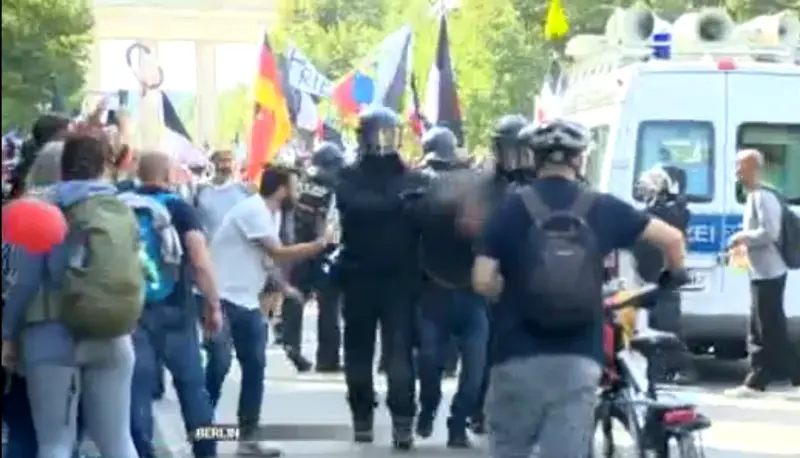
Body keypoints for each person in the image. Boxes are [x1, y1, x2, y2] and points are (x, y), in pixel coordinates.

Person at [472, 119, 687, 458]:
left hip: (514, 353)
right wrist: (672, 277)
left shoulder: (510, 209)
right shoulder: (602, 206)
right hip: (578, 357)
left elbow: (482, 279)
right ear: (580, 159)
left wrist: (509, 292)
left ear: (534, 159)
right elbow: (672, 239)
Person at [2, 133, 142, 458]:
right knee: (118, 442)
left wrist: (8, 335)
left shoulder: (40, 209)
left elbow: (24, 282)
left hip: (51, 337)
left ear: (62, 167)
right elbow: (138, 272)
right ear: (104, 167)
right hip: (112, 335)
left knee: (55, 443)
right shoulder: (122, 208)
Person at [209, 166, 334, 457]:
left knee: (255, 368)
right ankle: (203, 433)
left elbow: (266, 260)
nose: (298, 191)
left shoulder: (272, 213)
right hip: (224, 299)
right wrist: (321, 243)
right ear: (280, 189)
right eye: (294, 186)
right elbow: (278, 252)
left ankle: (247, 440)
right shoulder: (253, 210)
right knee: (218, 366)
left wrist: (284, 287)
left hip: (247, 301)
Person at [333, 106, 426, 450]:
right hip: (362, 277)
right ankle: (364, 419)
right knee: (363, 355)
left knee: (398, 356)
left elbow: (426, 222)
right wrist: (399, 202)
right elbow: (355, 206)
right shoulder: (350, 178)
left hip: (398, 280)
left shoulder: (413, 179)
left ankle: (401, 422)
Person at [124, 152, 221, 458]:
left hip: (133, 311)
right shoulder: (179, 208)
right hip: (177, 308)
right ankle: (207, 450)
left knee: (136, 392)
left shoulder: (120, 204)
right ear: (168, 174)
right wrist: (213, 305)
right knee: (194, 390)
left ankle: (142, 452)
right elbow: (200, 261)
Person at [411, 126, 488, 448]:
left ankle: (458, 425)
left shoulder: (480, 188)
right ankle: (428, 409)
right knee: (429, 368)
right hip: (433, 290)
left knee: (474, 373)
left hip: (472, 293)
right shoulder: (418, 187)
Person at [464, 114, 534, 434]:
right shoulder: (485, 185)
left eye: (520, 149)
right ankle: (480, 409)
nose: (514, 157)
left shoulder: (543, 184)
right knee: (490, 351)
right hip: (493, 278)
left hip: (536, 280)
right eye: (508, 149)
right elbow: (473, 229)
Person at [724, 149, 800, 399]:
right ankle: (760, 379)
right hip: (761, 271)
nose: (737, 171)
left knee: (768, 328)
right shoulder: (753, 195)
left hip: (770, 270)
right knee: (762, 327)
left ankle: (763, 380)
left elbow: (771, 233)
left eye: (741, 166)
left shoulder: (763, 196)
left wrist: (741, 236)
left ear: (755, 168)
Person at [281, 142, 346, 373]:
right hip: (325, 250)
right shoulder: (335, 189)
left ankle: (290, 344)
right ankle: (327, 359)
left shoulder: (300, 187)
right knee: (329, 305)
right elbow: (334, 224)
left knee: (296, 296)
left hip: (297, 249)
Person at [633, 165, 695, 383]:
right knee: (656, 325)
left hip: (661, 276)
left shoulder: (668, 214)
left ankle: (678, 368)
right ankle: (659, 370)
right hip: (651, 276)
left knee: (666, 326)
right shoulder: (673, 211)